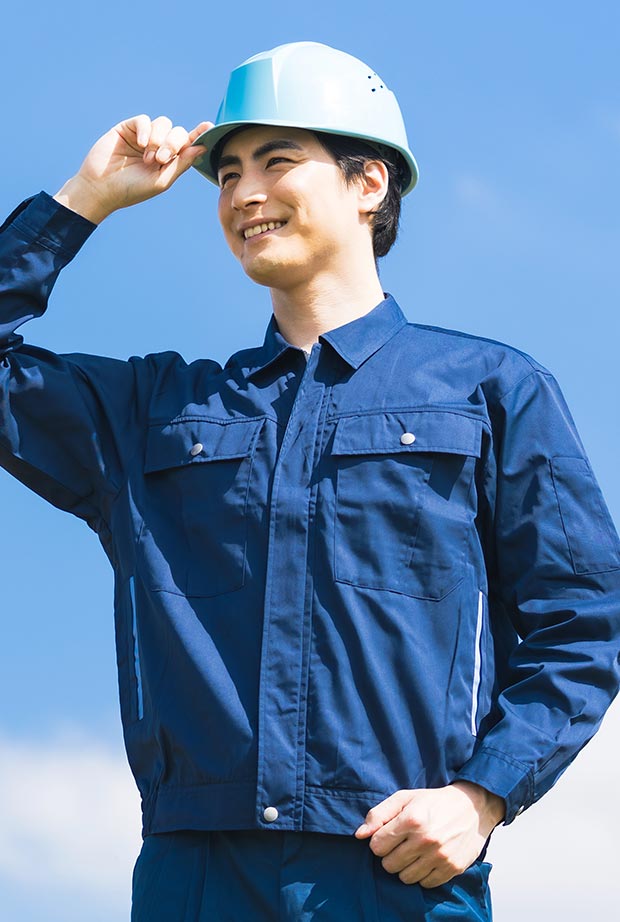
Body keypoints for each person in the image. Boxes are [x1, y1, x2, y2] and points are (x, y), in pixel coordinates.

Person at [1, 41, 619, 921]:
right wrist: (83, 199)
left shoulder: (490, 391)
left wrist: (481, 796)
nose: (242, 193)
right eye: (227, 175)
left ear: (369, 183)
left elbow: (583, 624)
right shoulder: (155, 412)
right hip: (195, 879)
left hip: (398, 872)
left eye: (277, 162)